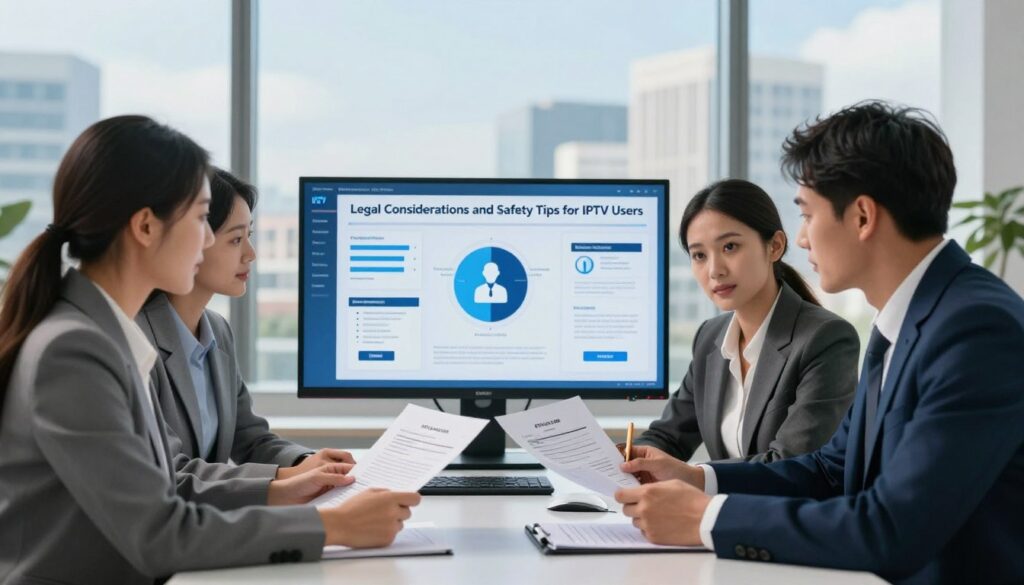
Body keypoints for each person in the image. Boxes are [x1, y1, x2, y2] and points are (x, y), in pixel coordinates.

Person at [616, 101, 1024, 585]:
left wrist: (705, 519)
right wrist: (698, 479)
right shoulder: (907, 318)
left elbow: (892, 528)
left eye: (807, 215)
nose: (803, 239)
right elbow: (831, 471)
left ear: (863, 216)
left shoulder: (974, 329)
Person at [0, 115, 420, 584]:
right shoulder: (73, 351)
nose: (207, 240)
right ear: (145, 227)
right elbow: (160, 533)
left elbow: (165, 492)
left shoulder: (104, 336)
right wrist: (336, 525)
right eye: (202, 218)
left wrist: (287, 491)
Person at [137, 167, 350, 481]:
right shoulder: (136, 339)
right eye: (236, 239)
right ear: (192, 240)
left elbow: (248, 437)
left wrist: (305, 461)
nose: (251, 254)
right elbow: (169, 471)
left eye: (248, 236)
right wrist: (284, 481)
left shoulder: (217, 331)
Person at [633, 179, 858, 464]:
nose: (714, 270)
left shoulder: (826, 338)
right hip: (722, 507)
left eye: (729, 247)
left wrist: (696, 478)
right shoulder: (710, 337)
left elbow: (790, 464)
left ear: (775, 246)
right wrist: (628, 458)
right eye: (699, 255)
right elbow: (668, 437)